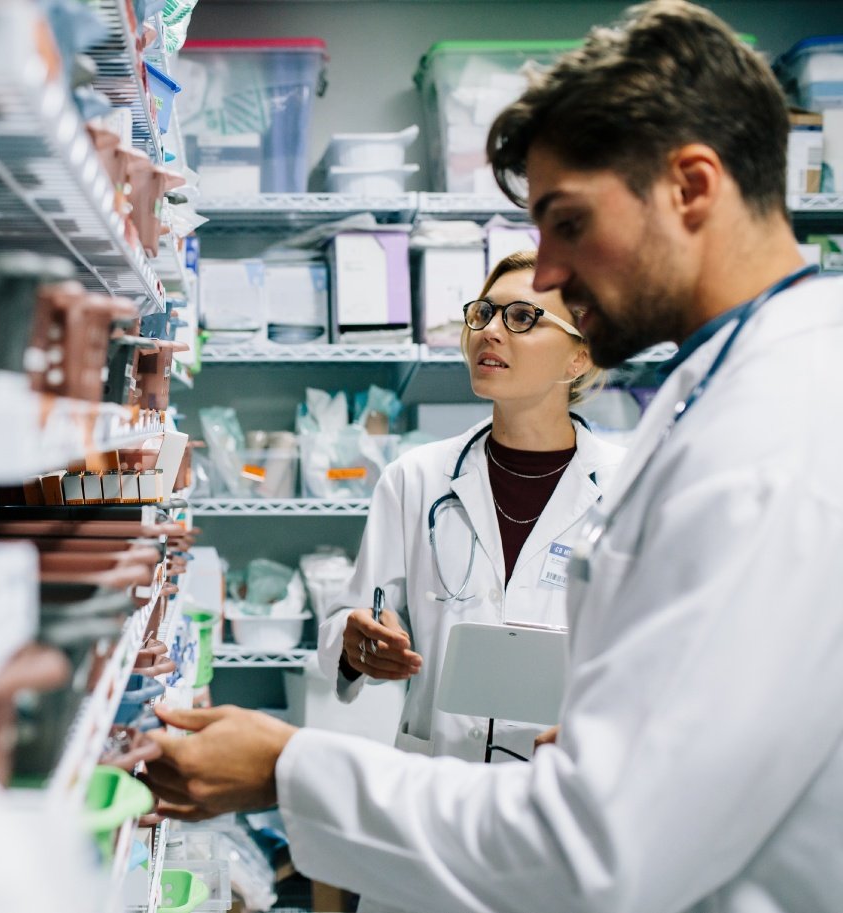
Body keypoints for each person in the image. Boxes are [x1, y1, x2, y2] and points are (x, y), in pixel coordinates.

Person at [144, 3, 843, 911]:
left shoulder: (777, 431)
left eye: (566, 220)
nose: (545, 271)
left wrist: (290, 767)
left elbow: (598, 850)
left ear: (693, 187)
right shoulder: (718, 385)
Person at [320, 249, 622, 778]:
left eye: (522, 318)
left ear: (578, 357)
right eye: (483, 313)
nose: (491, 332)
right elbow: (353, 621)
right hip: (441, 775)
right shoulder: (415, 480)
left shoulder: (628, 488)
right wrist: (356, 644)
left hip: (568, 781)